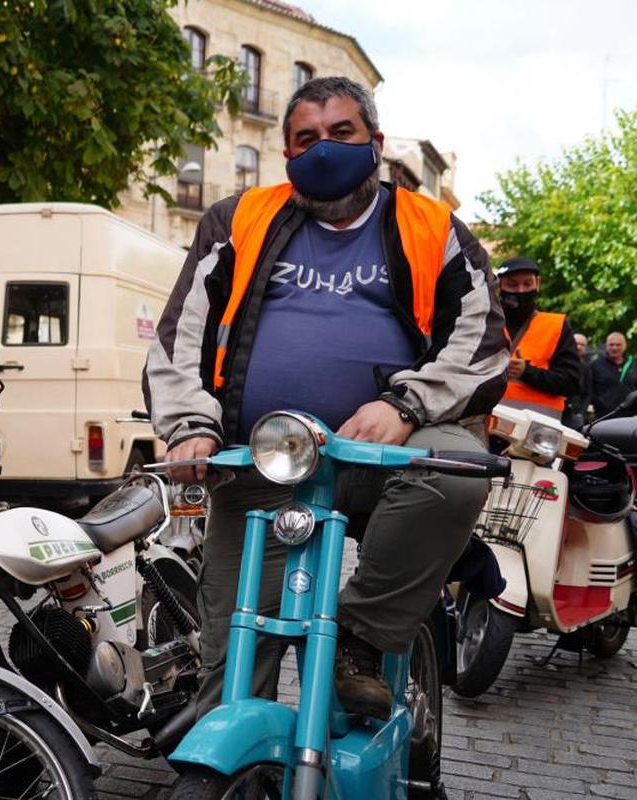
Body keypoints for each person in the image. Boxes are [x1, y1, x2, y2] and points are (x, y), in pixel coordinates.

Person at [143, 76, 508, 720]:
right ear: (287, 155)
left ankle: (361, 636)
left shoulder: (433, 226)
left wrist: (406, 406)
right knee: (228, 664)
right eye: (307, 139)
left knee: (454, 477)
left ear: (376, 142)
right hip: (264, 462)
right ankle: (230, 760)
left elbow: (481, 341)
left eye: (343, 133)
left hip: (386, 453)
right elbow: (180, 335)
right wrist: (188, 425)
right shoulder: (236, 221)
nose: (325, 149)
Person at [492, 256, 579, 417]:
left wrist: (527, 372)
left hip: (537, 431)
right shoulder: (485, 322)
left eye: (527, 284)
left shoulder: (555, 325)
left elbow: (571, 382)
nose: (520, 290)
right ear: (499, 286)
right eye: (512, 284)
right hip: (483, 423)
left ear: (537, 284)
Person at [589, 332, 637, 418]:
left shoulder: (633, 365)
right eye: (611, 345)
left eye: (618, 345)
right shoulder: (595, 365)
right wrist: (601, 403)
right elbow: (588, 390)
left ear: (625, 346)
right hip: (604, 416)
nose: (614, 348)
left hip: (630, 416)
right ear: (606, 346)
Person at [563, 333, 592, 429]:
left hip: (573, 415)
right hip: (556, 408)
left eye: (582, 345)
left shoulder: (586, 368)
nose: (579, 347)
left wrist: (581, 412)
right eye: (576, 343)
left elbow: (588, 393)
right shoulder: (559, 362)